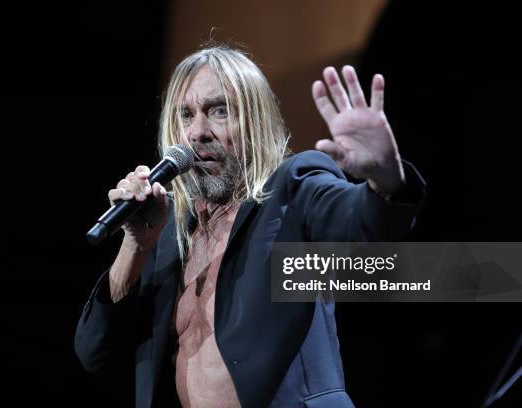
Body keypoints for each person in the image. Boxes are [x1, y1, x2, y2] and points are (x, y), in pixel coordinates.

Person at [74, 45, 425, 407]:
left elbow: (364, 224)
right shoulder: (165, 235)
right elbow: (96, 354)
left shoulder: (293, 190)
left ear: (255, 122)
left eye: (219, 111)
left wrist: (383, 181)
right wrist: (134, 244)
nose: (198, 132)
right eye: (185, 115)